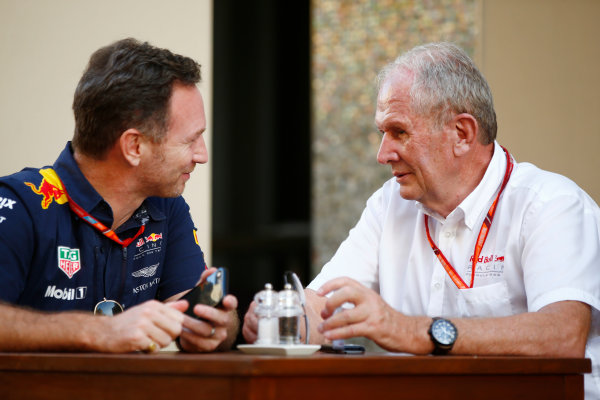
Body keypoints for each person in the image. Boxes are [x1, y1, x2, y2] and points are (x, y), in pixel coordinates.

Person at [243, 42, 600, 397]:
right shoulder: (390, 204)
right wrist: (278, 317)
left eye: (399, 132)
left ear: (462, 133)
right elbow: (323, 306)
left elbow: (562, 335)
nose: (383, 154)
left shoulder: (551, 204)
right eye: (381, 133)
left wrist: (414, 331)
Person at [0, 38, 238, 353]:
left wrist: (218, 326)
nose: (202, 155)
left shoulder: (165, 206)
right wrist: (96, 331)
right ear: (134, 147)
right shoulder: (18, 204)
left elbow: (192, 305)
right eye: (191, 140)